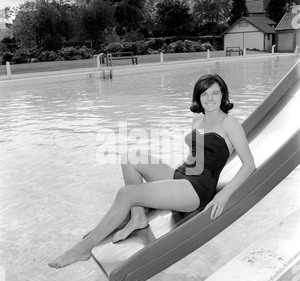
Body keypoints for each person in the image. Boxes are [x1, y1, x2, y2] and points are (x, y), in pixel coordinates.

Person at [49, 74, 255, 269]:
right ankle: (138, 217)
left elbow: (248, 164)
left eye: (215, 93)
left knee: (126, 193)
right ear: (198, 97)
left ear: (223, 95)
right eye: (204, 94)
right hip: (182, 175)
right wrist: (168, 181)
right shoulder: (197, 120)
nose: (209, 98)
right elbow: (198, 155)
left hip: (197, 190)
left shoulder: (229, 123)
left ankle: (83, 249)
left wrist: (223, 196)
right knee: (130, 157)